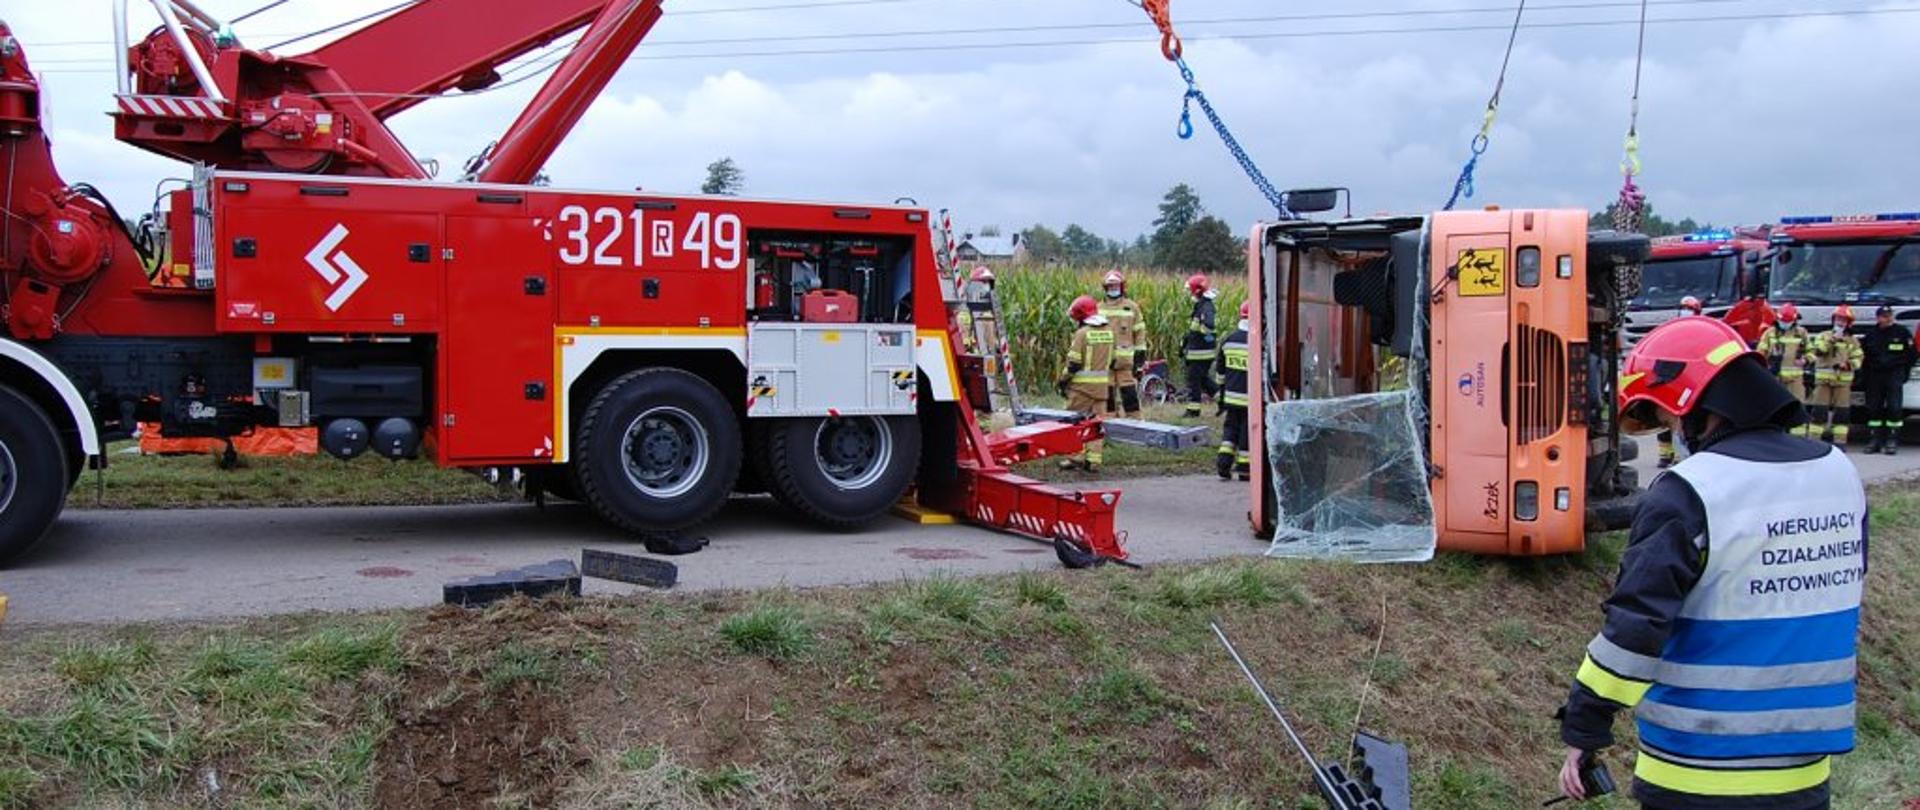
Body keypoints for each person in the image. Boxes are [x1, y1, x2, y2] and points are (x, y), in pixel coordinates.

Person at [1556, 316, 1865, 810]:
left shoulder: (1689, 490)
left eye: (1670, 419)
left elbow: (1635, 627)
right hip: (1803, 773)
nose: (1674, 432)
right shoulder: (1837, 473)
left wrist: (1584, 727)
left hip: (1697, 771)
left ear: (1697, 407)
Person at [1057, 295, 1115, 471]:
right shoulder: (1109, 332)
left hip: (1081, 389)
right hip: (1102, 388)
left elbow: (1074, 364)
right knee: (1096, 425)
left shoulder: (1082, 334)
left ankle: (1076, 456)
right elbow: (1114, 360)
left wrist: (1062, 380)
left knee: (1075, 422)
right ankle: (1093, 461)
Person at [1655, 296, 1706, 468]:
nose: (1685, 312)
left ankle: (1679, 456)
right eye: (1684, 308)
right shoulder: (1671, 329)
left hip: (1688, 380)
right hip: (1669, 378)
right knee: (1665, 418)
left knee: (1681, 419)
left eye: (1689, 309)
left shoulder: (1701, 331)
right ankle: (1665, 454)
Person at [1858, 303, 1916, 455]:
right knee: (1873, 408)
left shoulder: (1902, 332)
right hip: (1874, 375)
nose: (1887, 319)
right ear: (1878, 318)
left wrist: (1903, 373)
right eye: (1884, 316)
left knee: (1894, 408)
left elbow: (1912, 355)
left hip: (1894, 374)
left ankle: (1892, 439)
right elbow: (1863, 357)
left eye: (1889, 316)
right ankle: (1875, 439)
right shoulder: (1871, 335)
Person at [1807, 304, 1864, 447]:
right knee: (1819, 412)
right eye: (1838, 319)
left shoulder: (1852, 340)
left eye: (1844, 320)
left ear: (1849, 323)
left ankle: (1840, 443)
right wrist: (1832, 339)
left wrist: (1848, 365)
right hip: (1823, 382)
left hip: (1843, 382)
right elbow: (1819, 351)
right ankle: (1814, 442)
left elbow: (1859, 358)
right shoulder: (1823, 336)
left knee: (1842, 414)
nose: (1840, 322)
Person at [1097, 270, 1148, 418]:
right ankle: (1110, 423)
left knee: (1130, 395)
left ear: (1122, 287)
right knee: (1107, 396)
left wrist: (1140, 360)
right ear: (1105, 288)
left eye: (1116, 286)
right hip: (1105, 362)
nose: (1113, 288)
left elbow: (1140, 333)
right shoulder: (1098, 308)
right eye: (1110, 286)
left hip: (1126, 363)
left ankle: (1135, 422)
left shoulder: (1132, 307)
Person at [1211, 302, 1251, 481]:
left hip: (1231, 397)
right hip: (1250, 399)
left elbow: (1220, 373)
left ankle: (1223, 463)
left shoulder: (1229, 340)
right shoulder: (1258, 342)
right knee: (1246, 432)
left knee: (1230, 430)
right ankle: (1245, 468)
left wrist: (1222, 396)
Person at [1757, 302, 1814, 403]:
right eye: (1783, 321)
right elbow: (1760, 353)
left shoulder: (1801, 333)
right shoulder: (1769, 333)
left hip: (1795, 379)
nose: (1785, 324)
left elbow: (1812, 351)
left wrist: (1805, 360)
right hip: (1775, 377)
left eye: (1788, 321)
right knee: (1775, 405)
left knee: (1797, 405)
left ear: (1794, 320)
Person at [1182, 273, 1220, 418]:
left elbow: (1208, 326)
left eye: (1191, 290)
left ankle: (1193, 410)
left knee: (1194, 381)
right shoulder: (1202, 305)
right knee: (1203, 380)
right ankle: (1222, 400)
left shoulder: (1206, 307)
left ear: (1197, 290)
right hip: (1199, 352)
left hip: (1200, 353)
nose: (1190, 293)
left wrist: (1200, 332)